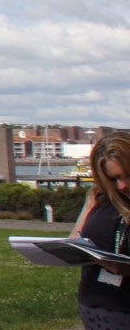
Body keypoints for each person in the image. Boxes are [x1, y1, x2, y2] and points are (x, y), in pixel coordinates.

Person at [71, 131, 130, 328]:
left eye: (127, 175)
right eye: (113, 179)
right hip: (95, 307)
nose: (122, 185)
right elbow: (75, 238)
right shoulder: (97, 196)